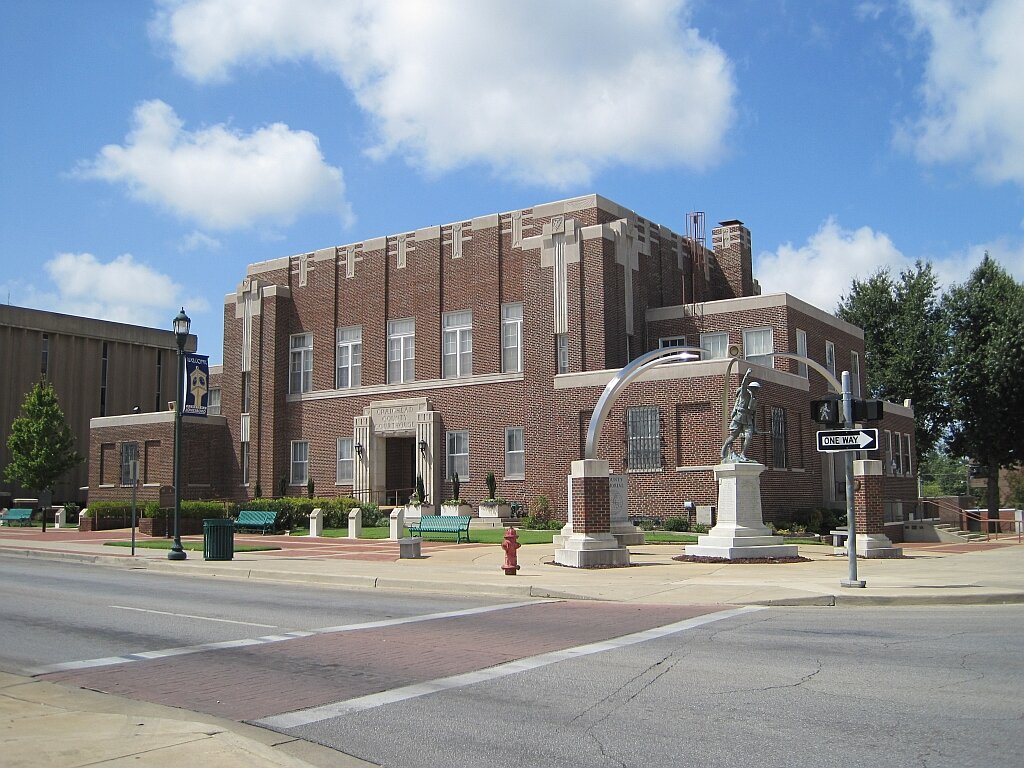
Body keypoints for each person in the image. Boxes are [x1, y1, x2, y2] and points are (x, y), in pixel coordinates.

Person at [721, 368, 760, 462]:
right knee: (733, 436)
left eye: (757, 389)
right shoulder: (744, 393)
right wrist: (747, 374)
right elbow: (743, 384)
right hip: (739, 417)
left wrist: (755, 427)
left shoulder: (754, 398)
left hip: (748, 419)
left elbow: (754, 414)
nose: (757, 390)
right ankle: (724, 449)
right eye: (755, 388)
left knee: (749, 437)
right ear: (751, 388)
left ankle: (743, 454)